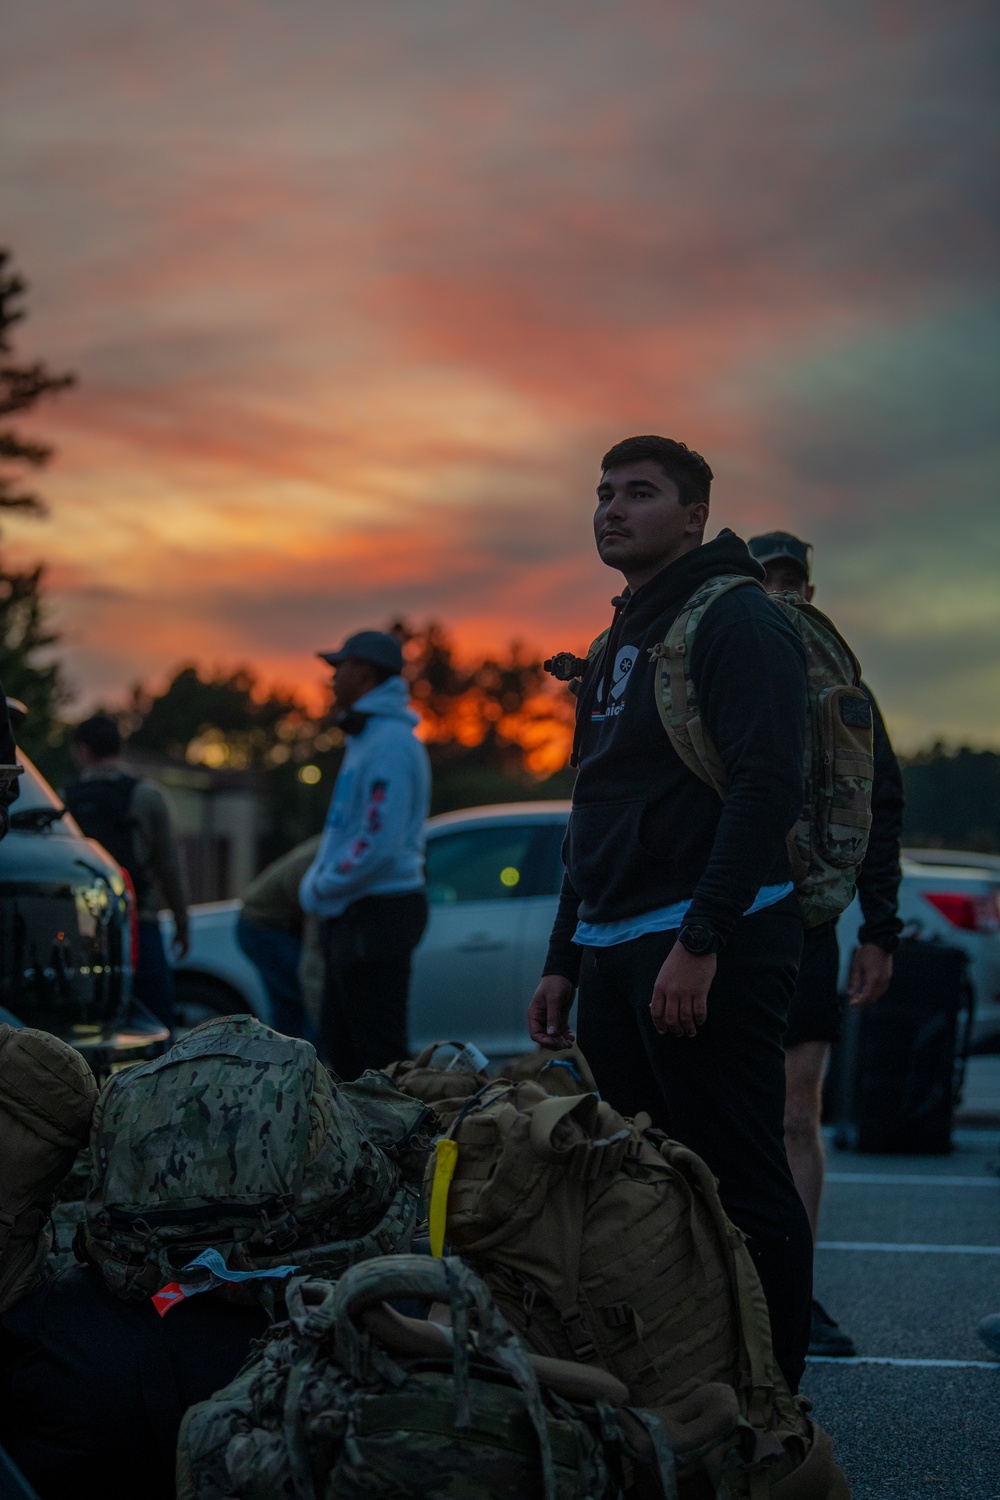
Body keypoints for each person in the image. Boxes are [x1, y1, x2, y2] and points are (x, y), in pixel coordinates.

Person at [529, 434, 814, 1392]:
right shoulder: (617, 640)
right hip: (615, 950)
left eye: (639, 493)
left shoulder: (737, 620)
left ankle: (771, 1408)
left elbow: (769, 786)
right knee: (652, 1182)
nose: (611, 507)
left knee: (737, 1175)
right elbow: (592, 807)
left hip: (702, 947)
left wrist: (702, 939)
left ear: (693, 517)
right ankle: (690, 1384)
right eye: (603, 492)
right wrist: (563, 956)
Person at [748, 530, 904, 1358]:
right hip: (724, 921)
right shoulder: (722, 671)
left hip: (807, 921)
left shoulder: (846, 691)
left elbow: (880, 808)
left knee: (794, 1112)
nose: (780, 595)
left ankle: (795, 1291)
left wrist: (879, 929)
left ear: (809, 591)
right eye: (763, 580)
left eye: (790, 582)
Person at [300, 630, 431, 1079]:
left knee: (377, 1055)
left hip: (376, 910)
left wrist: (322, 885)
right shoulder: (372, 737)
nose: (333, 679)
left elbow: (379, 839)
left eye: (341, 668)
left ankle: (395, 1147)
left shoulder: (389, 743)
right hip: (363, 908)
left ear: (366, 673)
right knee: (345, 1048)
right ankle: (369, 1146)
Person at [64, 714, 189, 1030]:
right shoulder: (148, 796)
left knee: (88, 1021)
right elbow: (169, 867)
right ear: (119, 748)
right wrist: (181, 923)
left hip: (82, 926)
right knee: (155, 1019)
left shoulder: (63, 800)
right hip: (138, 919)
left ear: (83, 751)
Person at [236, 834, 321, 1041]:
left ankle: (294, 1056)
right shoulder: (319, 868)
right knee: (297, 1002)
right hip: (262, 925)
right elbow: (314, 948)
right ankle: (299, 1059)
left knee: (291, 1004)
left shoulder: (329, 849)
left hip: (271, 921)